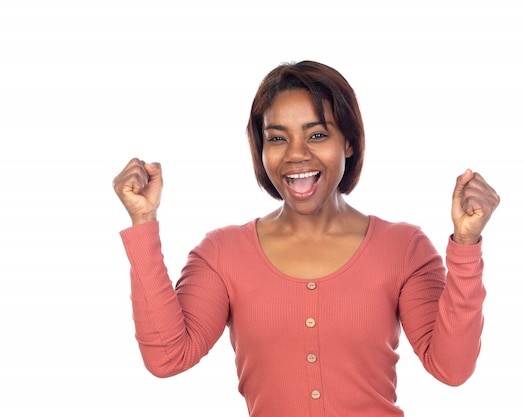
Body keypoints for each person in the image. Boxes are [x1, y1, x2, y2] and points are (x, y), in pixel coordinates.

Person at [112, 60, 500, 417]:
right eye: (277, 139)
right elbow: (167, 357)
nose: (296, 155)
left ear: (348, 142)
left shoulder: (403, 248)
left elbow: (452, 368)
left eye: (317, 135)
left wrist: (465, 246)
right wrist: (143, 220)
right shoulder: (222, 254)